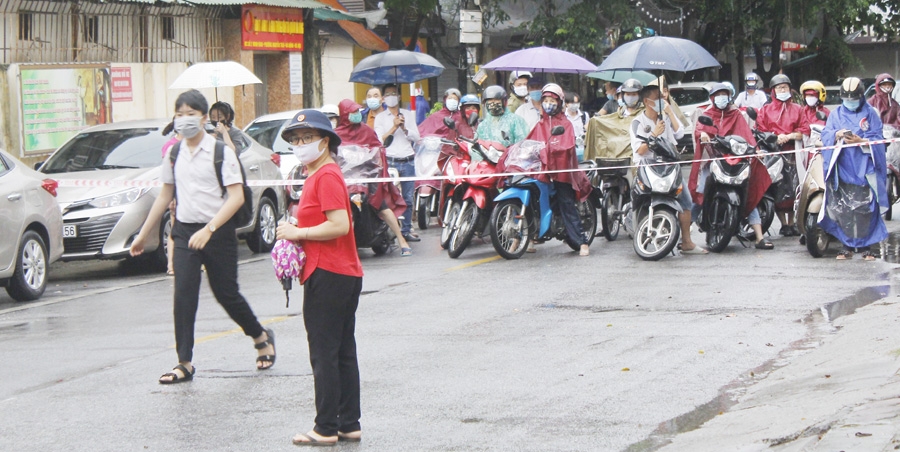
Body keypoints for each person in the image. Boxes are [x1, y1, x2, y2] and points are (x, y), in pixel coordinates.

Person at [130, 89, 275, 384]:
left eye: (191, 114)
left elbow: (235, 198)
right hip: (184, 231)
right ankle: (184, 362)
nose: (184, 120)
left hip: (217, 231)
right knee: (183, 295)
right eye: (179, 114)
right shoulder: (173, 153)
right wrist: (142, 234)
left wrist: (209, 230)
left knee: (227, 294)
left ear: (204, 118)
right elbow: (165, 195)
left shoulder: (221, 152)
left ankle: (260, 336)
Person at [273, 109, 364, 446]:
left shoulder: (325, 175)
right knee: (342, 351)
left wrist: (299, 232)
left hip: (328, 272)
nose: (300, 144)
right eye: (295, 140)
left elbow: (340, 224)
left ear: (325, 141)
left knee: (324, 352)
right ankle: (348, 423)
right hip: (341, 272)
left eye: (307, 138)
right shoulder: (321, 174)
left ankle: (325, 427)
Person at [691, 83, 773, 249]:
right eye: (718, 94)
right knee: (700, 193)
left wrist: (756, 150)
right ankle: (684, 235)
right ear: (713, 98)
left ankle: (759, 237)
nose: (722, 98)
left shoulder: (735, 114)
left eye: (725, 94)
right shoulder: (706, 114)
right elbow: (699, 129)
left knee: (747, 193)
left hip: (735, 160)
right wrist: (704, 134)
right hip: (714, 160)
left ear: (730, 97)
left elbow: (747, 134)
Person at [630, 83, 707, 254]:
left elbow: (679, 134)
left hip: (669, 166)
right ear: (646, 101)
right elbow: (641, 150)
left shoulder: (664, 118)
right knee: (640, 197)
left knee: (686, 201)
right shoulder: (637, 122)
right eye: (657, 98)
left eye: (662, 97)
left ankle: (686, 242)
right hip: (647, 167)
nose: (661, 100)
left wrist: (670, 112)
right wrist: (654, 134)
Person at [819, 77, 888, 260]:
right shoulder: (836, 114)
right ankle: (846, 246)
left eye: (853, 98)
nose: (849, 102)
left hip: (865, 168)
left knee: (867, 208)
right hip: (843, 168)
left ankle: (868, 247)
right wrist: (837, 134)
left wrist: (862, 141)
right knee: (844, 209)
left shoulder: (871, 114)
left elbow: (878, 138)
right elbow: (826, 134)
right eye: (846, 99)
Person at [334, 99, 411, 256]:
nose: (356, 115)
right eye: (352, 112)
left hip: (366, 177)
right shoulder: (336, 135)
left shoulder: (366, 131)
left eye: (357, 111)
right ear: (344, 115)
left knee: (382, 207)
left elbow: (378, 149)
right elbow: (331, 156)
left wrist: (373, 157)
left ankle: (401, 239)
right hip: (345, 180)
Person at [527, 83, 592, 256]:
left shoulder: (566, 124)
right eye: (546, 100)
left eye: (552, 100)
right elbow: (529, 143)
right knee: (532, 200)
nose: (549, 104)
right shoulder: (539, 124)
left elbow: (566, 145)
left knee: (566, 203)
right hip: (543, 172)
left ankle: (582, 242)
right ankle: (528, 236)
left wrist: (550, 150)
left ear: (560, 102)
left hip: (562, 173)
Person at [755, 74, 809, 237]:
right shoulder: (765, 110)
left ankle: (792, 222)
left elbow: (805, 130)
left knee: (794, 188)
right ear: (773, 91)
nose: (782, 90)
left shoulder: (798, 109)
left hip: (793, 155)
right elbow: (760, 130)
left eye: (785, 87)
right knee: (776, 188)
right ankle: (783, 224)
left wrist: (790, 136)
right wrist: (775, 137)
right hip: (774, 153)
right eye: (779, 88)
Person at [374, 83, 421, 243]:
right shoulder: (380, 118)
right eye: (387, 94)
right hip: (390, 161)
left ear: (399, 96)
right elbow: (380, 140)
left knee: (408, 198)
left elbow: (417, 137)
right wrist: (394, 128)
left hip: (407, 160)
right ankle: (391, 231)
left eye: (394, 93)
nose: (391, 96)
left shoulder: (407, 114)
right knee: (390, 198)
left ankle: (406, 229)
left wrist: (405, 128)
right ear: (383, 98)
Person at [583, 78, 645, 162]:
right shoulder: (618, 114)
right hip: (614, 161)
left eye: (634, 94)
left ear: (639, 95)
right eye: (627, 94)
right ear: (623, 95)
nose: (630, 97)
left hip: (636, 159)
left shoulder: (645, 114)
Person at [160, 119, 182, 276]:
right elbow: (169, 177)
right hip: (178, 195)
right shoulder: (171, 147)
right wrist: (172, 198)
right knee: (175, 231)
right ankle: (172, 264)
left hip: (187, 196)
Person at [799, 80, 830, 148]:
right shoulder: (801, 111)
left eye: (812, 95)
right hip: (803, 149)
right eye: (807, 95)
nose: (809, 98)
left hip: (820, 148)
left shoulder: (827, 113)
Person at [564, 92, 589, 161]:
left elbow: (588, 131)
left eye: (577, 103)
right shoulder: (563, 117)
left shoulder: (584, 116)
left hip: (583, 150)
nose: (575, 105)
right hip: (568, 151)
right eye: (572, 103)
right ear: (566, 104)